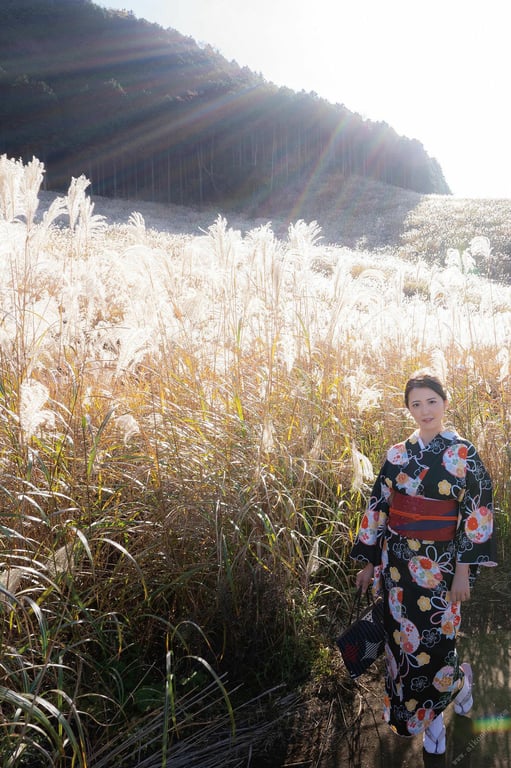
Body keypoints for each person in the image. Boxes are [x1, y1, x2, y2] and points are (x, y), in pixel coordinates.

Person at [350, 369, 496, 755]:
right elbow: (378, 507)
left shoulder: (463, 453)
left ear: (445, 403)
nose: (425, 410)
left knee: (436, 641)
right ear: (409, 409)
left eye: (432, 401)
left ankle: (437, 716)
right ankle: (453, 692)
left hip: (441, 566)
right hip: (397, 565)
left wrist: (463, 571)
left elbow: (476, 512)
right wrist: (369, 563)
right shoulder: (397, 454)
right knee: (402, 645)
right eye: (416, 404)